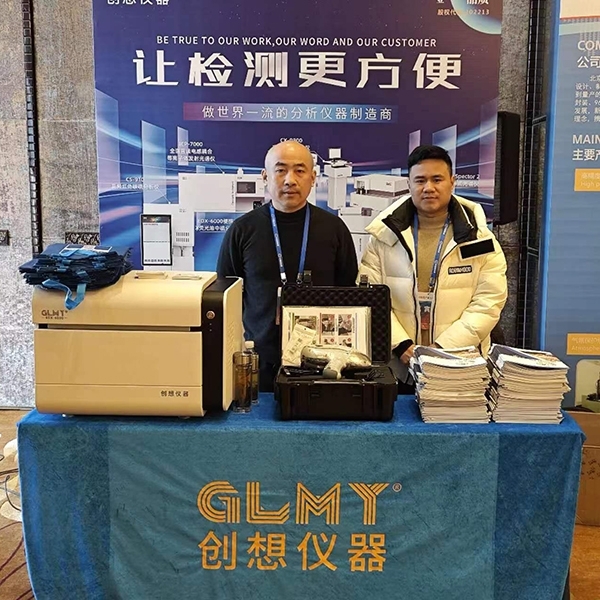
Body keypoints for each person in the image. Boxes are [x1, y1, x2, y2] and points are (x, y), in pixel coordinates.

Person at [359, 144, 507, 388]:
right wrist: (402, 346)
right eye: (420, 180)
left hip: (460, 366)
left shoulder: (479, 238)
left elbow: (489, 302)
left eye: (437, 179)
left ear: (452, 182)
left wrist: (442, 349)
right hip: (398, 368)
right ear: (409, 184)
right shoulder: (384, 237)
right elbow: (369, 298)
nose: (428, 187)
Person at [217, 141, 358, 391]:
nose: (290, 180)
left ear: (313, 177)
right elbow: (226, 297)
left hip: (323, 365)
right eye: (280, 170)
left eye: (300, 171)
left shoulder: (335, 229)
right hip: (259, 364)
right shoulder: (242, 230)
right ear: (265, 176)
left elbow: (349, 294)